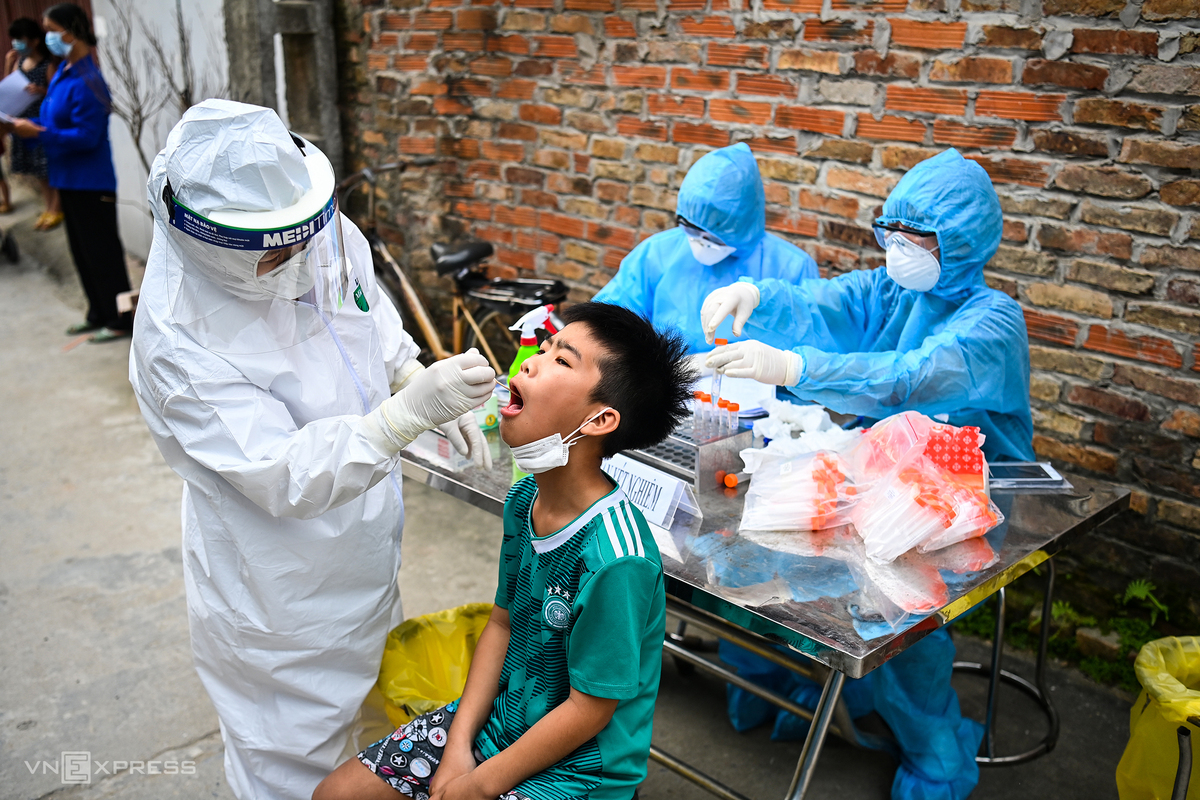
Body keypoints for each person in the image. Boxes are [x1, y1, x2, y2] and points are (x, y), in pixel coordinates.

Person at [129, 98, 495, 800]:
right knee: (293, 770)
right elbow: (284, 474)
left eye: (302, 238)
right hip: (276, 596)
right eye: (271, 254)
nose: (299, 260)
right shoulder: (176, 343)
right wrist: (401, 419)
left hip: (362, 547)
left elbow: (365, 313)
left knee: (370, 742)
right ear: (201, 240)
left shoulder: (314, 229)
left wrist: (409, 372)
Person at [699, 148, 1033, 800]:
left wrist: (796, 370)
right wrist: (756, 294)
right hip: (888, 472)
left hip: (971, 494)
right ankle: (804, 688)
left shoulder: (992, 322)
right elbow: (822, 302)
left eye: (919, 239)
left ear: (962, 243)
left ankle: (935, 751)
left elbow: (909, 379)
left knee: (896, 610)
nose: (900, 249)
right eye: (894, 233)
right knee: (759, 549)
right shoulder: (890, 289)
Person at [314, 303, 694, 800]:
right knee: (336, 794)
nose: (532, 360)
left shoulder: (616, 558)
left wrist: (477, 786)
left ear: (600, 420)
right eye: (547, 346)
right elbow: (502, 623)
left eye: (562, 361)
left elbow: (590, 709)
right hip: (503, 720)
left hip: (578, 772)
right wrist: (458, 747)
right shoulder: (525, 497)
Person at [592, 142, 818, 356]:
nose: (700, 242)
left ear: (740, 226)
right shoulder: (656, 252)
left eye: (714, 236)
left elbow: (812, 350)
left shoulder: (792, 267)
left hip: (758, 394)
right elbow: (607, 321)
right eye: (691, 228)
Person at [6, 4, 128, 341]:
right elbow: (53, 121)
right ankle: (97, 312)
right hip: (67, 180)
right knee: (82, 253)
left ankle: (120, 318)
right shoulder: (64, 73)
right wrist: (25, 127)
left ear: (70, 33)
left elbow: (87, 137)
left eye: (51, 30)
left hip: (91, 182)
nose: (47, 38)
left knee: (103, 254)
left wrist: (40, 133)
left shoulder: (90, 80)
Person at [5, 17, 60, 228]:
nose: (16, 44)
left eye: (20, 39)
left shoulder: (47, 65)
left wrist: (41, 91)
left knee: (48, 168)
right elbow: (8, 88)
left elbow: (56, 94)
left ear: (34, 41)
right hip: (23, 124)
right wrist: (8, 64)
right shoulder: (19, 63)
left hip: (40, 124)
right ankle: (48, 207)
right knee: (38, 172)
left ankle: (56, 208)